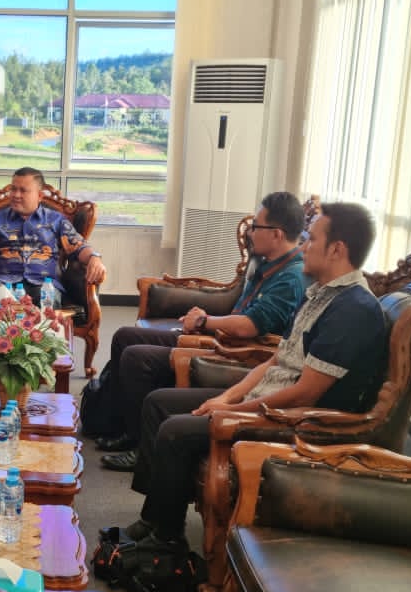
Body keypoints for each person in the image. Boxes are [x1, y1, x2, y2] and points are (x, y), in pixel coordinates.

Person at [107, 201, 390, 551]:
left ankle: (164, 541)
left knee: (176, 430)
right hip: (265, 400)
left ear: (337, 249)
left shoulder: (353, 310)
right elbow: (275, 361)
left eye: (312, 239)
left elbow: (305, 394)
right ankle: (156, 521)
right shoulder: (319, 294)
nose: (304, 247)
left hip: (296, 421)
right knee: (158, 404)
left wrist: (234, 411)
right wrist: (228, 396)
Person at [96, 191, 308, 470]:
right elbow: (239, 306)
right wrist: (205, 319)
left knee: (137, 357)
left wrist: (205, 321)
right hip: (220, 337)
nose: (250, 233)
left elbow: (249, 326)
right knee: (125, 336)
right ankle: (119, 426)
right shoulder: (268, 261)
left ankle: (140, 447)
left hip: (235, 351)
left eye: (256, 226)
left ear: (277, 234)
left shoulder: (290, 278)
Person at [0, 166, 107, 303]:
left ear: (39, 195)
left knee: (50, 301)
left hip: (44, 284)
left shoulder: (56, 220)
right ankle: (12, 326)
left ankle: (34, 330)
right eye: (13, 189)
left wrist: (95, 258)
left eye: (23, 190)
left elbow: (79, 246)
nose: (16, 195)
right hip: (2, 282)